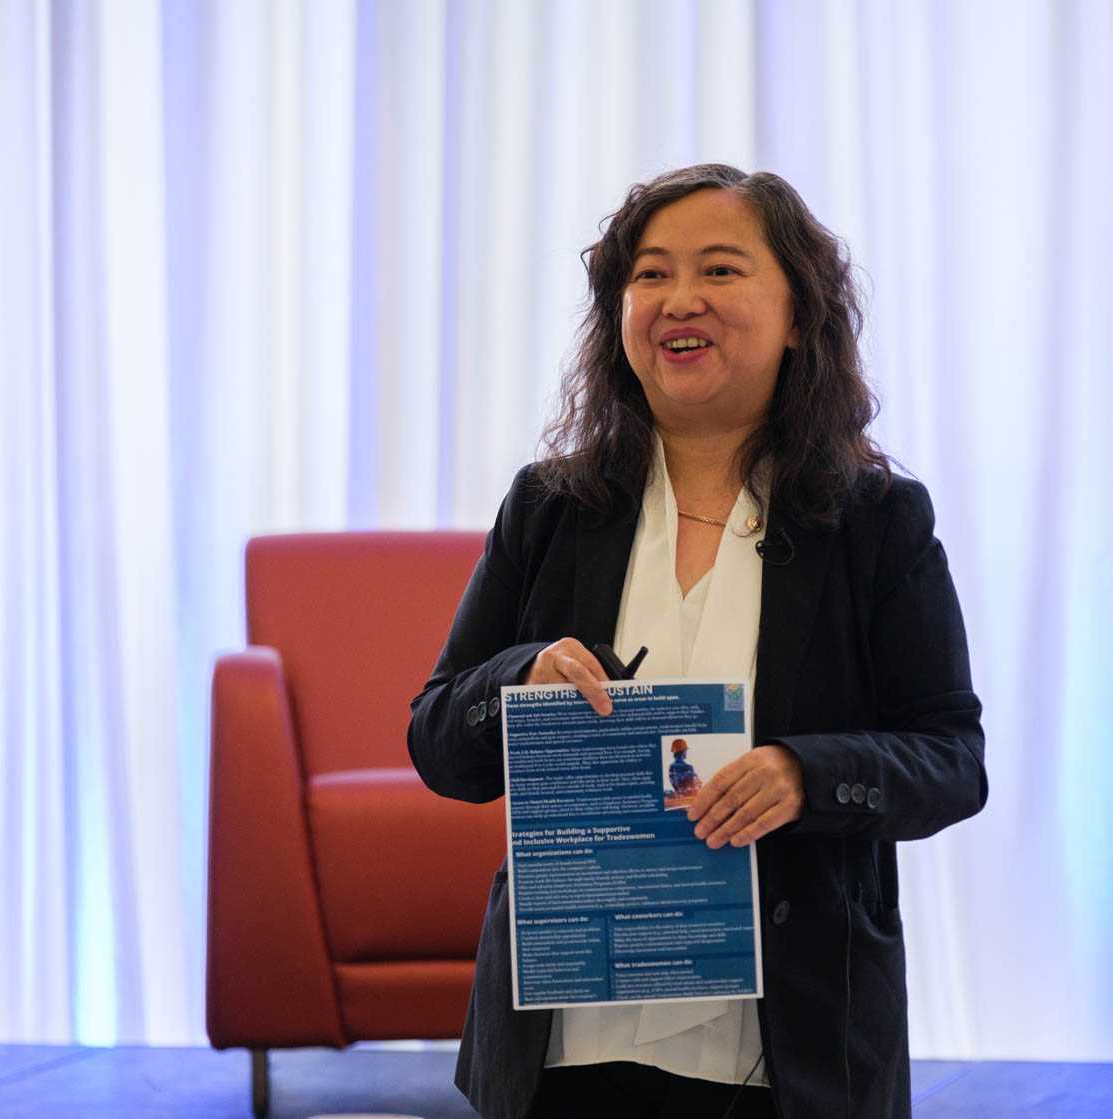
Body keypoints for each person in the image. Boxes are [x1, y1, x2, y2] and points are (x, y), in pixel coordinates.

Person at [408, 163, 986, 1119]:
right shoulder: (549, 507)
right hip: (565, 1043)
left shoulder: (877, 520)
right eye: (651, 274)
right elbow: (437, 739)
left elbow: (953, 759)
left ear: (799, 316)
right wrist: (518, 682)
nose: (680, 299)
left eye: (720, 270)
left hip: (789, 1048)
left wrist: (805, 773)